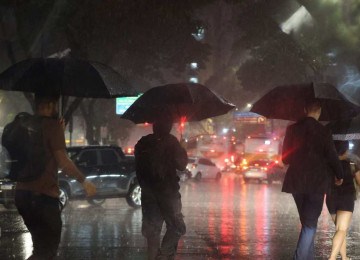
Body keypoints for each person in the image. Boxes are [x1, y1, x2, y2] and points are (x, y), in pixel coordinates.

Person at [14, 92, 97, 260]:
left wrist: (59, 132)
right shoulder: (52, 126)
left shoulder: (24, 125)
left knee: (40, 249)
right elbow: (63, 161)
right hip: (43, 198)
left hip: (22, 195)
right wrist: (84, 181)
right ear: (51, 105)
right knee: (47, 251)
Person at [281, 98, 344, 260]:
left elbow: (285, 159)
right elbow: (332, 156)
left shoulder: (292, 130)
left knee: (307, 221)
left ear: (304, 109)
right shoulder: (323, 131)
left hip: (296, 181)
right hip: (316, 182)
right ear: (319, 112)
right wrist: (340, 174)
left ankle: (308, 257)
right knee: (309, 224)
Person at [134, 115, 188, 260]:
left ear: (154, 126)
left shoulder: (142, 143)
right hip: (168, 192)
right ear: (169, 127)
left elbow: (139, 168)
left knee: (152, 233)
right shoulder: (172, 142)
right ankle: (165, 254)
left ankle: (154, 257)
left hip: (149, 194)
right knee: (177, 227)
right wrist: (182, 148)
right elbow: (182, 165)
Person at [327, 140, 360, 260]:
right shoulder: (352, 162)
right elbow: (359, 181)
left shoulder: (328, 162)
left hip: (331, 198)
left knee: (339, 230)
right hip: (346, 198)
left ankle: (344, 257)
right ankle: (332, 258)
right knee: (341, 229)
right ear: (346, 150)